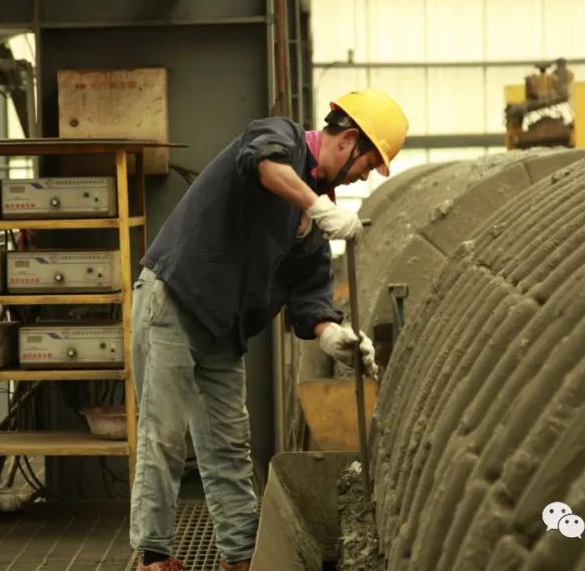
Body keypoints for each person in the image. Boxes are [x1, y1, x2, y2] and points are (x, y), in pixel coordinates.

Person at [130, 89, 409, 571]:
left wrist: (329, 333)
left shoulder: (314, 211)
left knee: (228, 443)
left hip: (223, 326)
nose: (364, 175)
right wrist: (317, 207)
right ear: (346, 140)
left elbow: (308, 291)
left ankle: (240, 557)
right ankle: (154, 555)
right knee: (165, 434)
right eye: (367, 164)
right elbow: (261, 163)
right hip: (176, 299)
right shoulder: (278, 138)